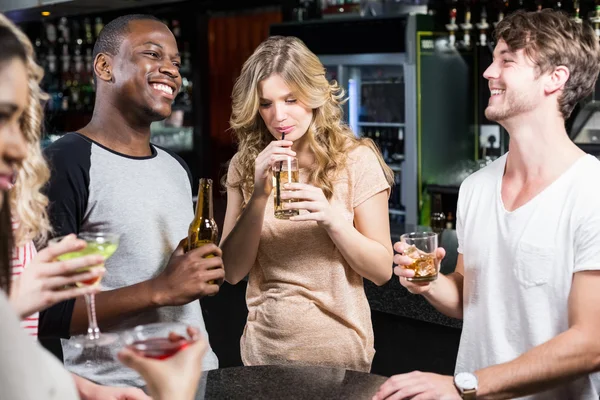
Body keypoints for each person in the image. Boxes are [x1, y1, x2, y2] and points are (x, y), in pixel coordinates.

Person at [374, 9, 600, 400]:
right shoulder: (477, 187)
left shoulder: (590, 191)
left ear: (555, 78)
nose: (488, 72)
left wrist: (466, 385)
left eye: (507, 60)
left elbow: (591, 342)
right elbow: (468, 299)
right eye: (493, 59)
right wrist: (428, 282)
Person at [0, 15, 207, 400]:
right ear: (104, 66)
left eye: (176, 62)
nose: (170, 69)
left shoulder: (175, 167)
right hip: (113, 383)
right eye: (152, 53)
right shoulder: (64, 162)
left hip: (193, 372)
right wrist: (161, 289)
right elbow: (49, 314)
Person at [220, 35, 394, 372]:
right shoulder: (246, 164)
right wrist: (258, 196)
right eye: (266, 103)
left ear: (314, 96)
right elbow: (231, 271)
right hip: (262, 354)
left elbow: (381, 271)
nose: (278, 116)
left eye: (291, 99)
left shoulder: (355, 160)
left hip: (340, 356)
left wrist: (331, 219)